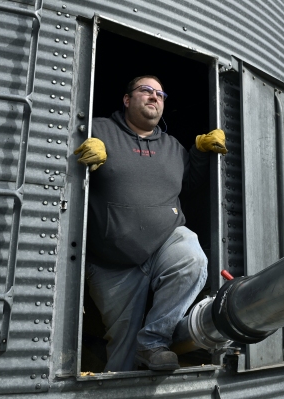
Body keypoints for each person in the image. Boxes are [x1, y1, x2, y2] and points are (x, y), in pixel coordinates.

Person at [74, 75, 227, 372]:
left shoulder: (172, 147)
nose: (154, 97)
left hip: (163, 244)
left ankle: (154, 340)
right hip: (111, 262)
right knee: (122, 346)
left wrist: (199, 151)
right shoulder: (98, 129)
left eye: (160, 93)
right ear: (127, 99)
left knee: (192, 257)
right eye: (146, 90)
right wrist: (78, 150)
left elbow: (190, 187)